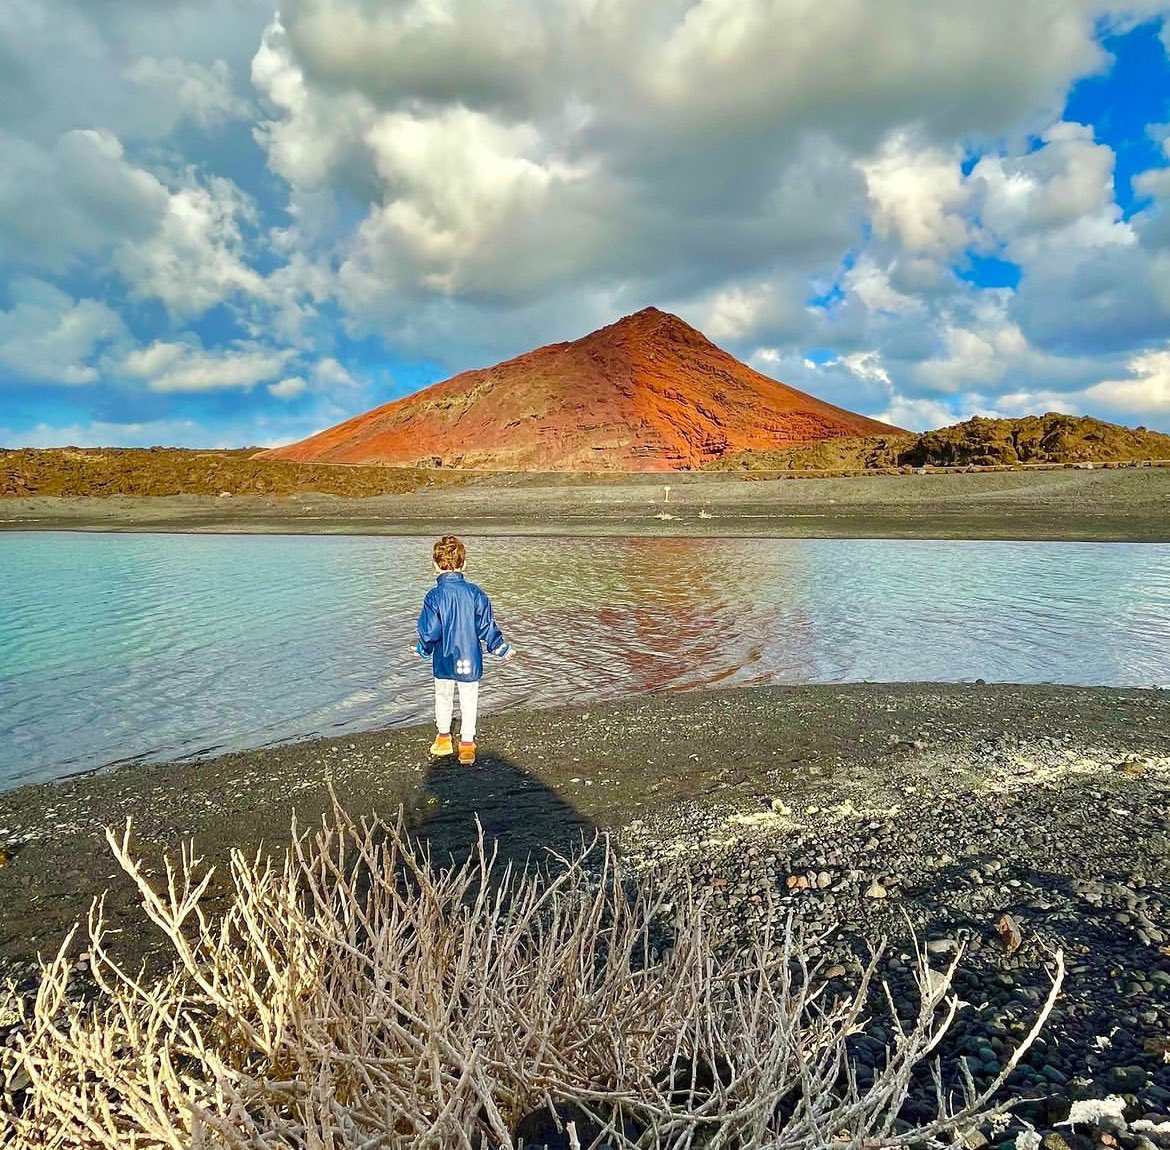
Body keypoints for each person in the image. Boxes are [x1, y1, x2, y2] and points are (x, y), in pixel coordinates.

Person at [414, 535, 515, 766]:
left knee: (443, 696)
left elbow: (430, 631)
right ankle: (467, 745)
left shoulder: (434, 596)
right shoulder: (475, 593)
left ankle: (443, 739)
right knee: (469, 700)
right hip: (470, 657)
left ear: (435, 565)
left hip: (444, 658)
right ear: (464, 564)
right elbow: (486, 626)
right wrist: (501, 648)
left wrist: (422, 649)